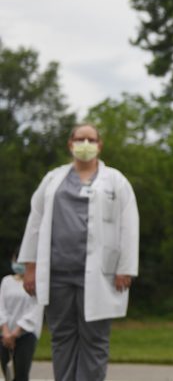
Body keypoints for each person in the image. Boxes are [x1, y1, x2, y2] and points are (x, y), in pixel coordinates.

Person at [18, 123, 139, 381]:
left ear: (100, 144)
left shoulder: (116, 181)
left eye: (91, 139)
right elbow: (35, 222)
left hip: (100, 275)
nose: (86, 144)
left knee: (94, 339)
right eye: (80, 138)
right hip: (58, 274)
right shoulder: (53, 179)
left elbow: (129, 225)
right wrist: (30, 266)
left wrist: (125, 268)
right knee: (61, 337)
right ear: (70, 143)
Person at [0, 251, 44, 381]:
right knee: (7, 373)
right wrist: (6, 331)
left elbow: (35, 310)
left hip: (26, 334)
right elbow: (1, 306)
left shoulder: (36, 284)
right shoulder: (7, 281)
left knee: (20, 375)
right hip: (5, 334)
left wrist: (15, 333)